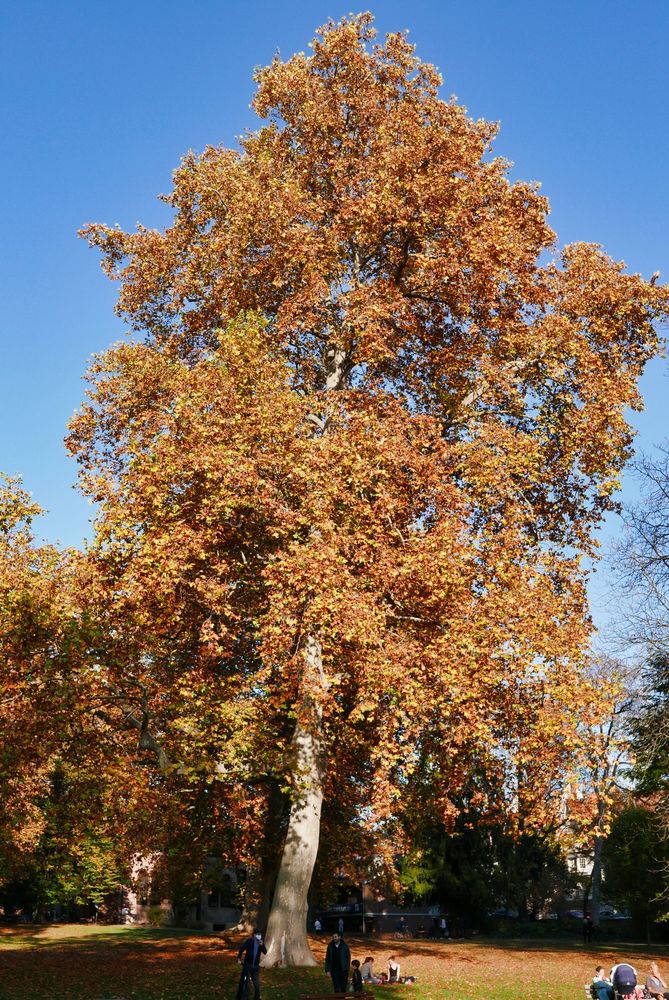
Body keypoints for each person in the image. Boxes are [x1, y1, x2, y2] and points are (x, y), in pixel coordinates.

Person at [236, 928, 267, 1000]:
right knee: (245, 983)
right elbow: (241, 949)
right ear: (254, 935)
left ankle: (257, 998)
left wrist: (262, 945)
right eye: (257, 934)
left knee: (256, 984)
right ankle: (243, 997)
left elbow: (265, 952)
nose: (259, 936)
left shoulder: (260, 943)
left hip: (255, 967)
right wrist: (239, 958)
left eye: (260, 934)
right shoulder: (249, 941)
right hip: (247, 966)